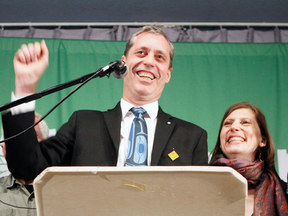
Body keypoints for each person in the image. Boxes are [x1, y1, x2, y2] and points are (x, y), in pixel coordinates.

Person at [1, 26, 208, 181]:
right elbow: (27, 168)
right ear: (123, 62)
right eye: (141, 53)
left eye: (160, 57)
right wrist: (25, 87)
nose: (149, 62)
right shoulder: (83, 124)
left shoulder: (191, 137)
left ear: (168, 74)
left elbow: (199, 201)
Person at [210, 102, 288, 216]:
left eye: (245, 122)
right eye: (227, 123)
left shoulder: (283, 191)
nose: (234, 127)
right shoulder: (201, 186)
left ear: (262, 140)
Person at [0, 113, 49, 216]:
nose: (24, 148)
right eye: (17, 143)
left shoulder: (64, 190)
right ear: (4, 150)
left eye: (32, 139)